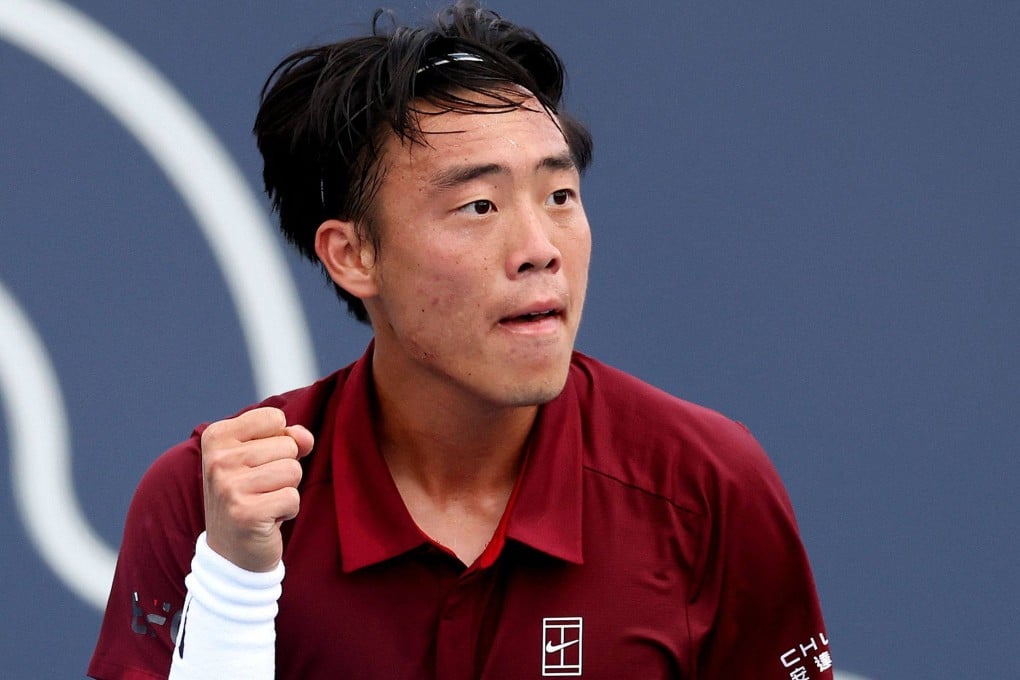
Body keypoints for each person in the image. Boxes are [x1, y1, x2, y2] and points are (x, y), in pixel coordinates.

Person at [88, 2, 832, 678]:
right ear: (352, 255)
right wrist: (235, 585)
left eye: (560, 196)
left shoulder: (710, 486)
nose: (539, 247)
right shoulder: (205, 503)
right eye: (479, 205)